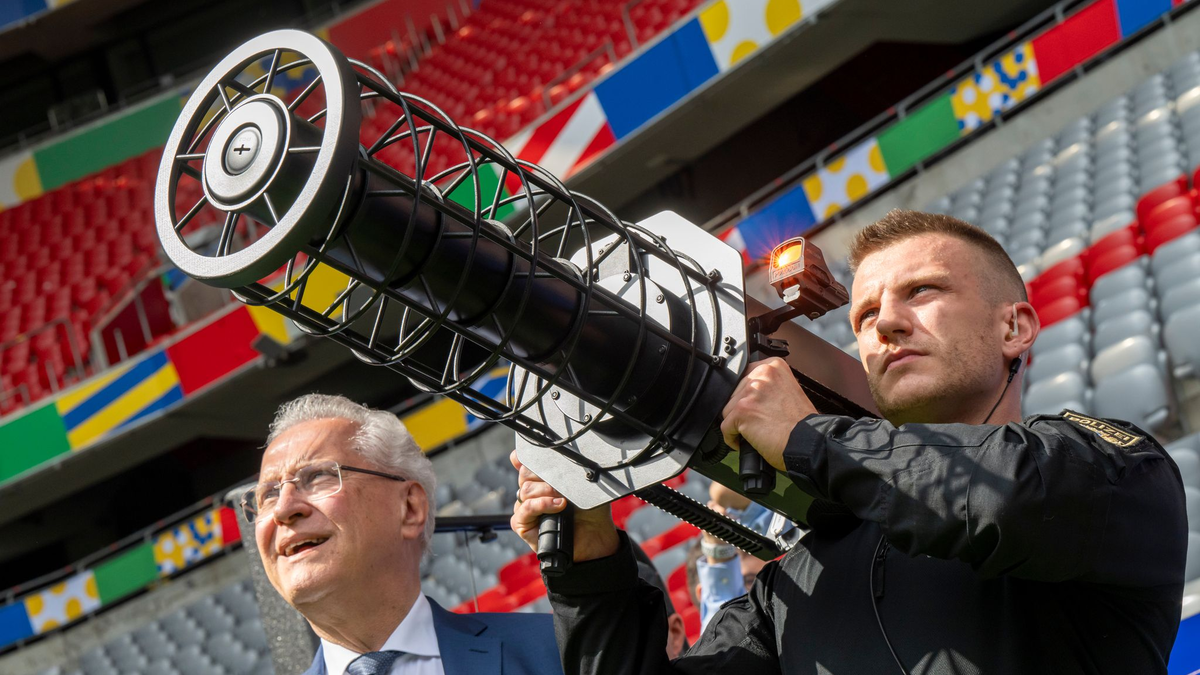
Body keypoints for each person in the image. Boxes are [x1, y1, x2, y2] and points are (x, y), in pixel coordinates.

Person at [510, 210, 1189, 674]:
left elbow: (998, 496)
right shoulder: (789, 588)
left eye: (921, 291)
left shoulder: (1115, 467)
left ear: (1015, 328)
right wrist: (591, 562)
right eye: (864, 315)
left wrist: (806, 437)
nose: (886, 323)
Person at [246, 393, 563, 675]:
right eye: (268, 494)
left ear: (410, 508)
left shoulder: (557, 651)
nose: (283, 509)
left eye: (317, 476)